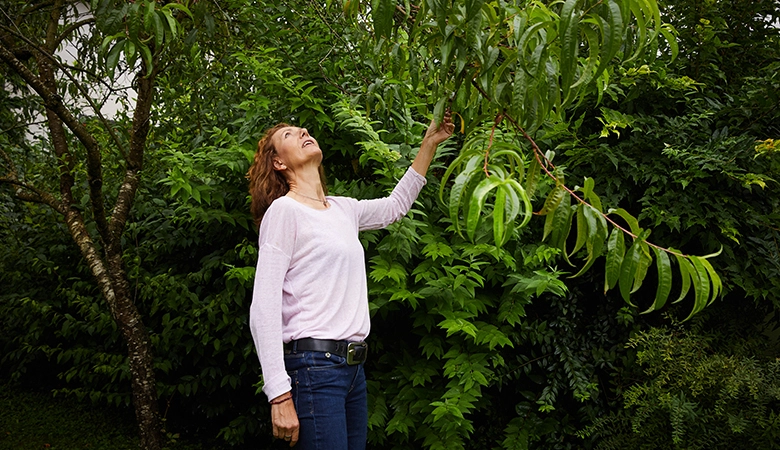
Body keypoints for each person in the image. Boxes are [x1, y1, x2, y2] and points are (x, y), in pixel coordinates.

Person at [247, 109, 454, 449]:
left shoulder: (343, 209)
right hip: (314, 369)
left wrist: (429, 144)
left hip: (352, 371)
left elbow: (394, 207)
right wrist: (278, 394)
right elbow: (264, 308)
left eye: (302, 128)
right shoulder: (284, 212)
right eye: (288, 135)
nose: (301, 132)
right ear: (278, 163)